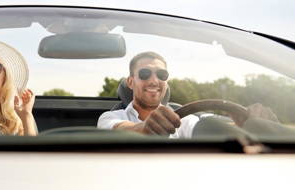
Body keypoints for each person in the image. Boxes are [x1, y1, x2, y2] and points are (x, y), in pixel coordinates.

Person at [97, 51, 279, 138]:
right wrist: (145, 128)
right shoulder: (110, 117)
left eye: (161, 75)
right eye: (145, 74)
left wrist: (246, 126)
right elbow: (122, 129)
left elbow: (206, 131)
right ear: (130, 82)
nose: (154, 81)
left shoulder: (183, 119)